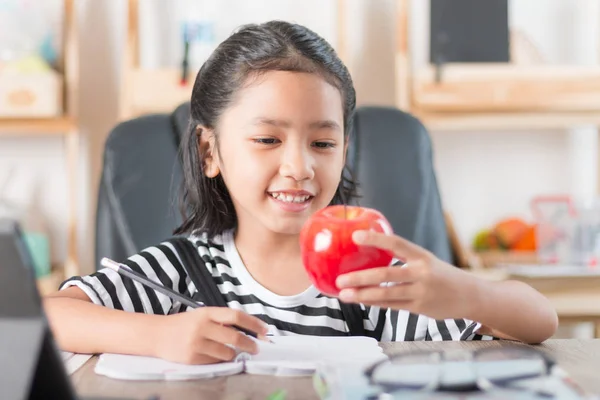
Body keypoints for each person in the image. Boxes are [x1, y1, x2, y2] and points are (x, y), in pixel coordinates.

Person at [44, 21, 558, 365]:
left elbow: (539, 322)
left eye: (323, 142)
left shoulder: (369, 275)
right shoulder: (183, 271)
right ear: (209, 153)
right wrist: (160, 336)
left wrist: (462, 290)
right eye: (268, 139)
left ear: (344, 148)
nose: (299, 166)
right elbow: (52, 314)